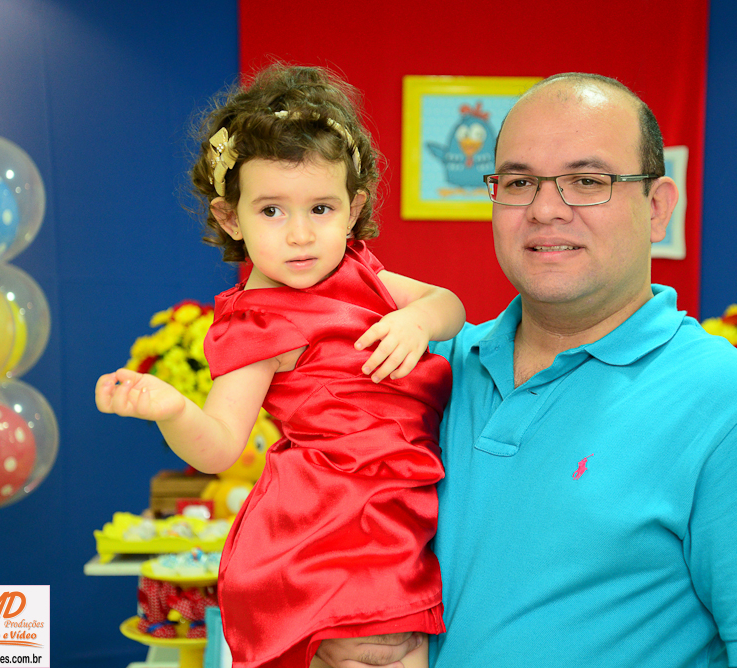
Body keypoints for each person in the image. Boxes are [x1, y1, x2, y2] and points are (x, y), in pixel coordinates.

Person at [317, 73, 737, 668]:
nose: (545, 209)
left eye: (588, 181)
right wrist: (324, 635)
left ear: (657, 208)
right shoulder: (422, 371)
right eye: (519, 182)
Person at [95, 64, 465, 668]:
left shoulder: (363, 273)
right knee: (375, 650)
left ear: (353, 209)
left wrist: (419, 320)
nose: (300, 235)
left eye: (320, 208)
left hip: (399, 511)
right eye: (271, 211)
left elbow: (448, 303)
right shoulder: (259, 323)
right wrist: (173, 409)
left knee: (398, 648)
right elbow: (219, 447)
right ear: (230, 217)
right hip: (328, 532)